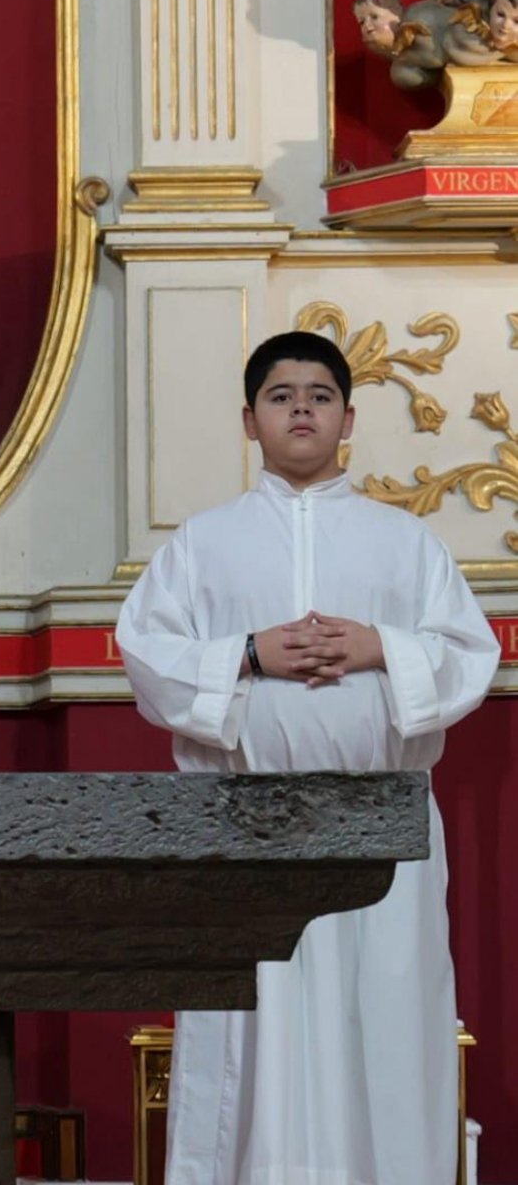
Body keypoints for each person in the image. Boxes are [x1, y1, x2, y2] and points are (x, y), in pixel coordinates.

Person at [114, 330, 498, 1185]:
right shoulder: (202, 544)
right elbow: (146, 653)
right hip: (241, 825)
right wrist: (249, 654)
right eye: (280, 396)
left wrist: (377, 647)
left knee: (385, 1023)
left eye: (319, 396)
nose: (300, 410)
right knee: (254, 1032)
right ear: (248, 420)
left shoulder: (405, 543)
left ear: (347, 419)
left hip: (381, 826)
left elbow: (469, 655)